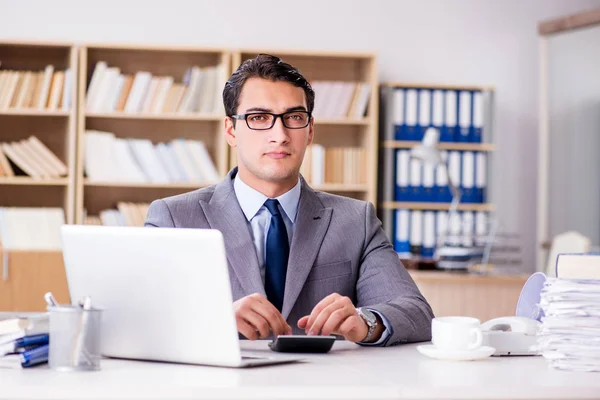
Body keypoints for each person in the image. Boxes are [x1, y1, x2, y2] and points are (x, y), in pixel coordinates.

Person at [145, 54, 433, 346]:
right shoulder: (173, 218)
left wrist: (365, 322)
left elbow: (417, 314)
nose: (280, 135)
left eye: (294, 118)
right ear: (232, 130)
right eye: (259, 118)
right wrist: (214, 318)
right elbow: (137, 316)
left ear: (309, 131)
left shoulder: (356, 220)